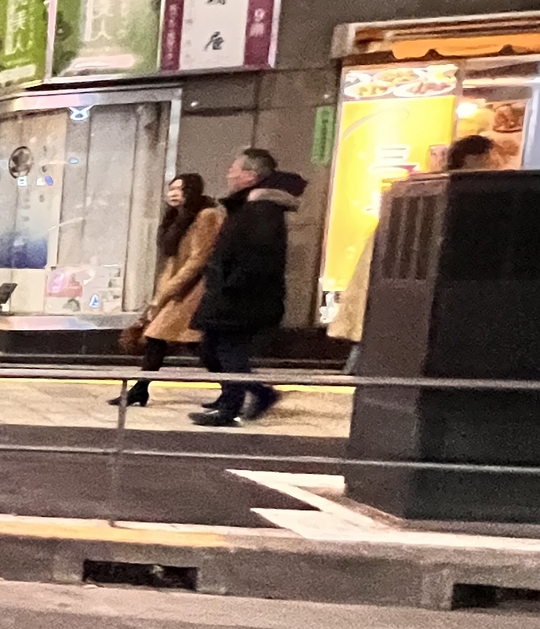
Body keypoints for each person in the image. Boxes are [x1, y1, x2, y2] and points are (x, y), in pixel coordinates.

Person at [329, 133, 497, 371]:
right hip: (413, 289)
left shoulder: (424, 189)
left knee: (374, 345)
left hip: (395, 289)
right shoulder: (451, 193)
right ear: (474, 159)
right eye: (491, 158)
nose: (497, 165)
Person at [189, 149, 303, 427]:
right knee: (212, 350)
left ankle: (231, 408)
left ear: (251, 176)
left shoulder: (261, 211)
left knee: (229, 352)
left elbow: (256, 258)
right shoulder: (248, 207)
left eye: (234, 169)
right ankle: (253, 394)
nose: (229, 174)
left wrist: (229, 286)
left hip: (241, 299)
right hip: (231, 295)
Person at [110, 173, 222, 408]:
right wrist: (161, 294)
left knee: (172, 339)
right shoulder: (178, 218)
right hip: (181, 288)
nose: (173, 193)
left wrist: (170, 290)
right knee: (164, 339)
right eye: (171, 188)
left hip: (196, 288)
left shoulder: (206, 215)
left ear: (192, 191)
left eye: (179, 189)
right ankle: (140, 390)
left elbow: (199, 258)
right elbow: (173, 261)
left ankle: (242, 387)